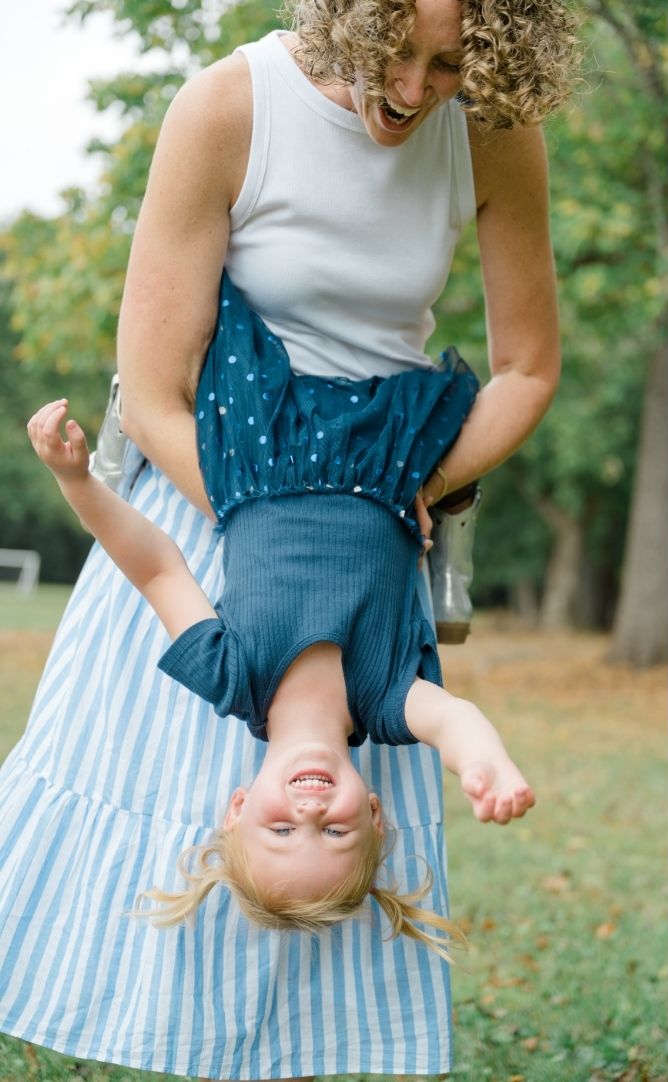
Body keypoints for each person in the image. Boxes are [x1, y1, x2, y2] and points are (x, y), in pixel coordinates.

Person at [0, 0, 577, 1077]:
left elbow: (527, 370)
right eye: (392, 54)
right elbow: (160, 391)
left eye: (450, 63)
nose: (415, 90)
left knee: (310, 865)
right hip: (211, 481)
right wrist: (270, 506)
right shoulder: (228, 104)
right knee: (178, 812)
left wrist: (403, 486)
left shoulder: (492, 123)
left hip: (381, 486)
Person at [27, 276, 533, 944]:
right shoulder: (387, 701)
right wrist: (482, 762)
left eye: (282, 828)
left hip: (265, 445)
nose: (310, 806)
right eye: (335, 830)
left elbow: (158, 567)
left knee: (230, 288)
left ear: (238, 809)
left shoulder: (233, 676)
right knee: (373, 300)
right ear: (376, 814)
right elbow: (454, 720)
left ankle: (140, 401)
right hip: (380, 457)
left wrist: (77, 481)